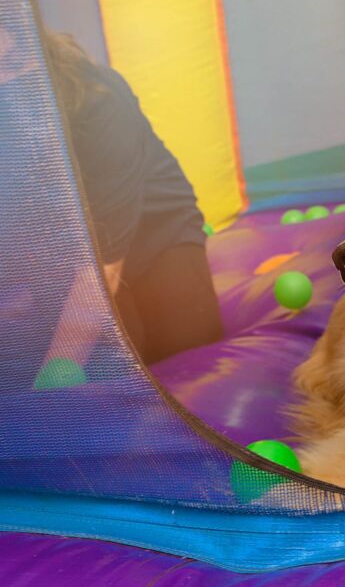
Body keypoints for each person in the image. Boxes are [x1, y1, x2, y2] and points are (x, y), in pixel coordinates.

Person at [40, 30, 223, 364]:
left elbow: (105, 265)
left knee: (183, 353)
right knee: (112, 361)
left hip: (158, 235)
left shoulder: (97, 99)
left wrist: (58, 369)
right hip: (75, 247)